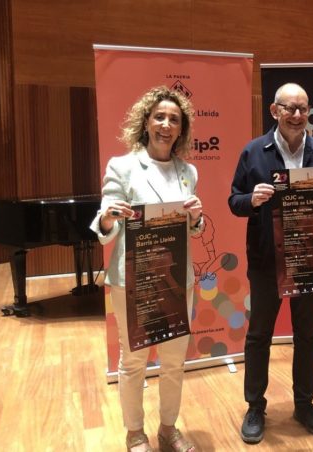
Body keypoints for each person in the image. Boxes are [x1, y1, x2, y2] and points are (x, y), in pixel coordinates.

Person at [228, 83, 313, 444]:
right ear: (274, 111)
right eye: (290, 108)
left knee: (307, 334)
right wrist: (251, 199)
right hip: (266, 260)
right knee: (259, 335)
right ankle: (255, 406)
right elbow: (234, 201)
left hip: (310, 259)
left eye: (303, 109)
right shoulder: (253, 151)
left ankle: (304, 404)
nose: (297, 115)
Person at [90, 86, 203, 452]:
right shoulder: (122, 167)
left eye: (174, 119)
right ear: (146, 122)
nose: (166, 125)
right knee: (134, 360)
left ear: (181, 129)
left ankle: (168, 430)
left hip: (175, 279)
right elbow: (107, 225)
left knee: (173, 361)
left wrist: (197, 218)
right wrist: (108, 217)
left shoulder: (188, 172)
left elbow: (192, 229)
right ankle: (135, 434)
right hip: (134, 280)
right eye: (160, 117)